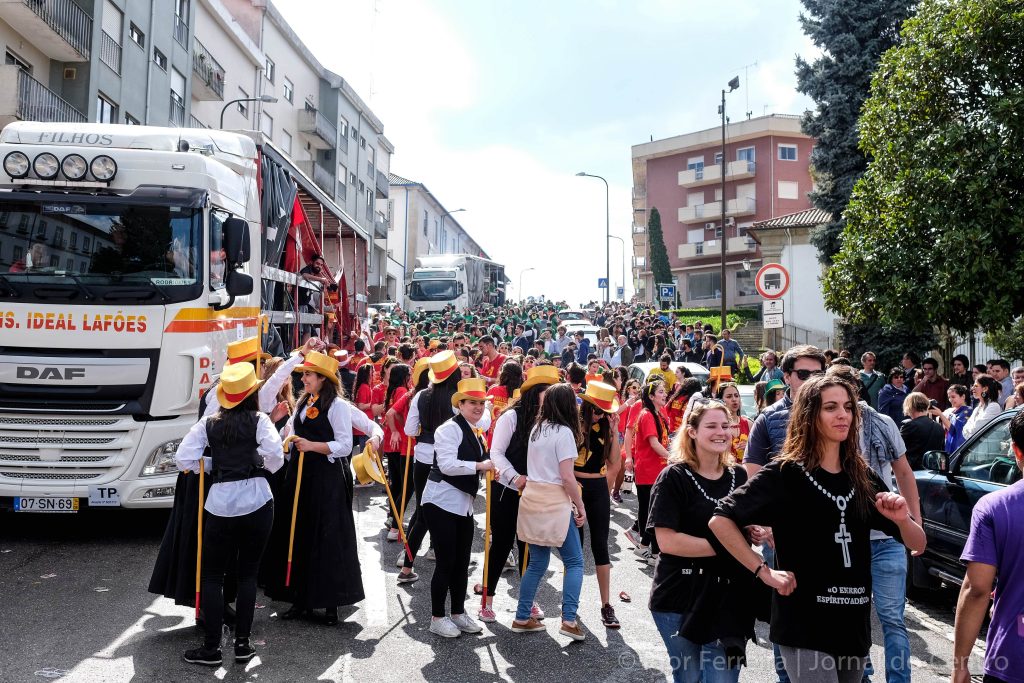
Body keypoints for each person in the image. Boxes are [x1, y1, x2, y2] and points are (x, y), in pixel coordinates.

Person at [710, 374, 926, 683]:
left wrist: (903, 518)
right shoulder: (785, 473)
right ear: (810, 415)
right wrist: (763, 571)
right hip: (803, 623)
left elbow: (917, 543)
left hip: (853, 623)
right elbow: (721, 519)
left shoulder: (860, 475)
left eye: (848, 407)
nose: (843, 415)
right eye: (831, 407)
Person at [263, 351, 383, 625]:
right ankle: (299, 599)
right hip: (300, 476)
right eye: (303, 374)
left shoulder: (339, 406)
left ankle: (330, 603)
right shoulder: (304, 402)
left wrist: (312, 446)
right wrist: (284, 437)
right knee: (299, 534)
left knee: (328, 537)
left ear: (323, 379)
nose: (302, 379)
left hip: (327, 477)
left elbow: (344, 444)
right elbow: (289, 433)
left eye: (308, 374)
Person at [176, 363, 284, 666]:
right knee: (248, 574)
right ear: (252, 393)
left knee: (212, 575)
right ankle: (242, 645)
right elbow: (275, 456)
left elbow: (183, 458)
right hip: (258, 499)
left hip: (221, 502)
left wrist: (215, 466)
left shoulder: (209, 423)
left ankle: (211, 648)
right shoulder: (260, 420)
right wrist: (259, 466)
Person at [648, 400, 753, 683]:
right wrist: (731, 546)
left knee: (722, 679)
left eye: (725, 425)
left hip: (728, 599)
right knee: (690, 677)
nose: (721, 432)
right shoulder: (673, 477)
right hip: (679, 597)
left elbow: (744, 523)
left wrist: (753, 530)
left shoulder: (740, 475)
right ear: (692, 431)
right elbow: (667, 542)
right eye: (711, 426)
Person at [742, 344, 827, 683]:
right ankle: (786, 676)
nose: (811, 381)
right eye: (803, 374)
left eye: (818, 374)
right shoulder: (770, 417)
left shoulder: (837, 413)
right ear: (787, 377)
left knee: (832, 606)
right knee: (786, 607)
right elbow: (752, 472)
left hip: (829, 528)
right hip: (782, 531)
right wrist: (766, 522)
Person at [479, 366, 559, 622]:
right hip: (506, 489)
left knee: (530, 547)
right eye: (548, 393)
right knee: (502, 545)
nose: (552, 398)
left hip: (535, 493)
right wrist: (516, 477)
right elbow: (496, 453)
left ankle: (528, 600)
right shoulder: (510, 417)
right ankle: (486, 601)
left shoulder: (551, 421)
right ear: (536, 393)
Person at [950, 409, 1024, 683]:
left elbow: (977, 589)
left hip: (1012, 657)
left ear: (1015, 450)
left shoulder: (995, 507)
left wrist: (960, 665)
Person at [511, 383, 587, 641]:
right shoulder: (564, 432)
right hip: (555, 501)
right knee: (575, 561)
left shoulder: (537, 428)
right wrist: (581, 505)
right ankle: (569, 619)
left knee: (537, 562)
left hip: (533, 498)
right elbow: (567, 477)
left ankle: (522, 616)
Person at [420, 378, 494, 638]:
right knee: (446, 561)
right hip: (441, 500)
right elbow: (449, 465)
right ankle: (437, 617)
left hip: (463, 503)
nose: (477, 407)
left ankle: (458, 613)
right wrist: (480, 466)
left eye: (481, 403)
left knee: (462, 562)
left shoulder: (475, 430)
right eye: (472, 402)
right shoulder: (448, 429)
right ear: (460, 404)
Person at [399, 351, 464, 581]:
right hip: (449, 462)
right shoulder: (459, 399)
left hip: (423, 458)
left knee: (422, 513)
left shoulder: (420, 396)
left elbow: (408, 430)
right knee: (448, 512)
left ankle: (407, 565)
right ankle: (443, 561)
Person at [575, 381, 622, 629]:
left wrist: (613, 431)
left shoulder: (605, 426)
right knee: (574, 547)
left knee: (600, 545)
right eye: (596, 409)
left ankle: (606, 605)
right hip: (576, 487)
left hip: (598, 488)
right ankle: (570, 604)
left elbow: (614, 461)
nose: (599, 414)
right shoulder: (574, 426)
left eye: (604, 411)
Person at [628, 379, 672, 565]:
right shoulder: (646, 415)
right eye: (661, 392)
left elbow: (663, 441)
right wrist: (673, 458)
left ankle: (646, 547)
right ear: (651, 396)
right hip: (648, 470)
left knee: (655, 511)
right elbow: (654, 444)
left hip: (658, 469)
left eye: (665, 391)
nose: (665, 395)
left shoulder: (659, 413)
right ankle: (651, 551)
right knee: (651, 512)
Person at [382, 363, 413, 541]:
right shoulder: (402, 391)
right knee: (402, 485)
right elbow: (393, 415)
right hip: (400, 441)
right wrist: (398, 428)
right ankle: (395, 519)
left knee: (397, 483)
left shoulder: (393, 390)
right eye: (409, 373)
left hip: (393, 441)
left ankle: (392, 517)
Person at [899, 392, 946, 469]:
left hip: (913, 472)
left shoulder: (909, 426)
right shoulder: (939, 428)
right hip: (934, 471)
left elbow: (897, 449)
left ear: (909, 407)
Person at [717, 382, 752, 461]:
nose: (734, 399)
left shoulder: (749, 424)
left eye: (736, 396)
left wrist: (749, 447)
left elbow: (759, 451)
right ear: (720, 401)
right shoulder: (718, 426)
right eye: (729, 396)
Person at [963, 374, 1002, 439]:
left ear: (985, 389)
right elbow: (964, 429)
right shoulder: (977, 408)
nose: (972, 388)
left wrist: (968, 431)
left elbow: (975, 430)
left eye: (976, 386)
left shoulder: (993, 406)